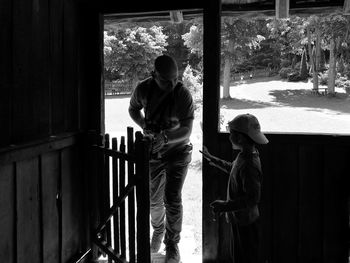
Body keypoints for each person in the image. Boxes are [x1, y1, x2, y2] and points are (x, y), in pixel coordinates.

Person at [128, 54, 194, 263]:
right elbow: (133, 109)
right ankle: (158, 231)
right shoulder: (143, 89)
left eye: (175, 78)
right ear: (153, 74)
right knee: (154, 201)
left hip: (178, 152)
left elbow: (187, 130)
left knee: (172, 198)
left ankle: (172, 243)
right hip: (154, 155)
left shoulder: (182, 94)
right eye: (166, 80)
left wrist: (165, 137)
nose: (172, 84)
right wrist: (145, 127)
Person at [201, 113, 268, 263]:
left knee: (245, 257)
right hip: (241, 219)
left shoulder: (249, 164)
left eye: (231, 133)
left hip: (247, 223)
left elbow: (252, 198)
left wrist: (225, 206)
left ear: (240, 138)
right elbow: (234, 169)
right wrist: (213, 159)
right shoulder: (246, 155)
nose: (229, 136)